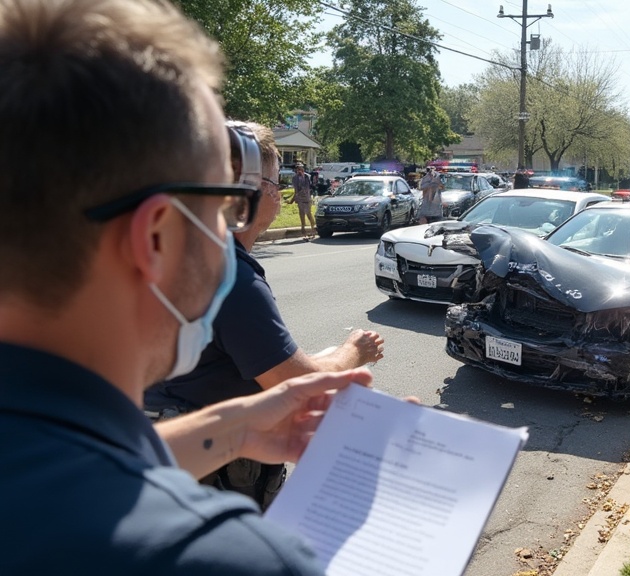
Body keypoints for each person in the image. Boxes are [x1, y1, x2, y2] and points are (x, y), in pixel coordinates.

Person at [0, 0, 373, 572]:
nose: (230, 233)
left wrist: (232, 429)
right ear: (155, 238)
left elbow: (59, 465)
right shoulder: (220, 558)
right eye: (223, 208)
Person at [145, 121, 385, 511]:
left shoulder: (163, 256)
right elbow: (296, 382)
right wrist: (354, 351)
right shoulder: (229, 279)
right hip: (213, 487)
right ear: (250, 194)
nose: (280, 193)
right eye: (277, 181)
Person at [290, 162, 315, 239]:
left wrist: (294, 197)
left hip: (307, 198)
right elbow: (296, 190)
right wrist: (293, 199)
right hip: (300, 199)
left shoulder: (307, 177)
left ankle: (313, 230)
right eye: (298, 169)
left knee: (308, 214)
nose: (299, 171)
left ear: (303, 169)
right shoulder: (294, 178)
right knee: (301, 214)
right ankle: (303, 231)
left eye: (301, 169)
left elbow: (307, 188)